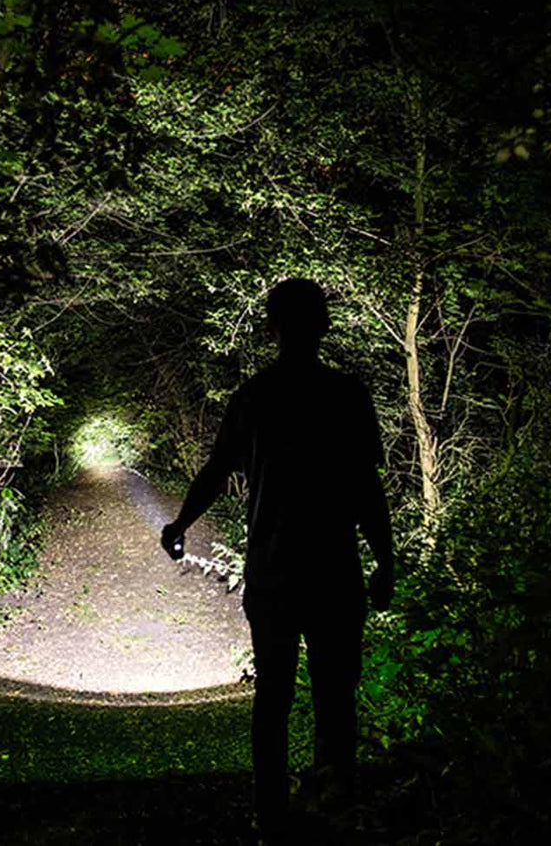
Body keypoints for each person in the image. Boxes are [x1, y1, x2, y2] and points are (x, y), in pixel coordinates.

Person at [160, 277, 394, 842]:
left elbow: (217, 470)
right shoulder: (347, 395)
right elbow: (366, 486)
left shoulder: (254, 396)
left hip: (274, 572)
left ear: (272, 327)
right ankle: (333, 805)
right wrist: (385, 558)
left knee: (273, 696)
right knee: (335, 694)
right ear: (325, 325)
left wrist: (181, 524)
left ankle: (270, 814)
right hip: (335, 571)